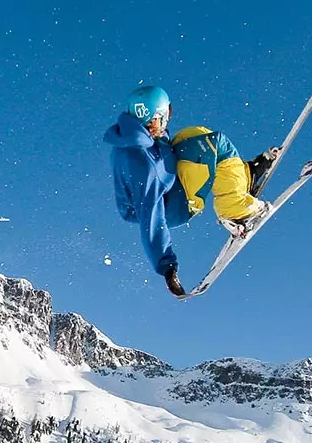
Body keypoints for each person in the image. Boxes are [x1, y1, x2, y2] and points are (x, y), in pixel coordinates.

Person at [104, 84, 279, 296]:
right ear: (156, 116)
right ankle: (235, 210)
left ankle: (242, 177)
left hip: (168, 185)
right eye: (167, 113)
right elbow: (151, 215)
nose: (169, 117)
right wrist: (167, 266)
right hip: (175, 204)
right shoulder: (144, 165)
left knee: (195, 135)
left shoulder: (133, 133)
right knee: (214, 144)